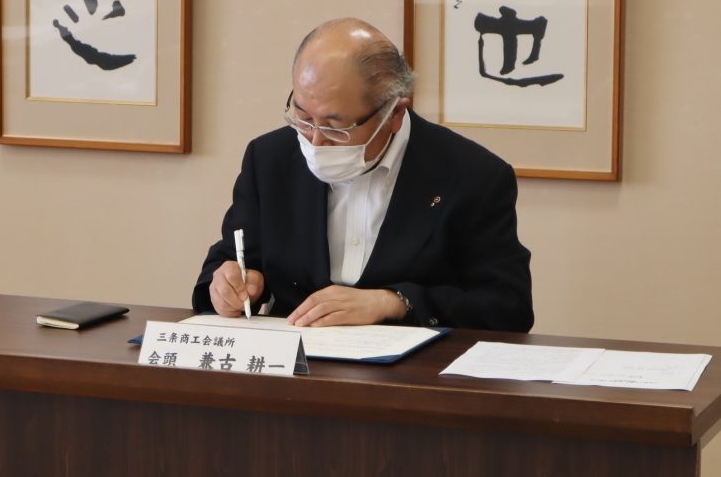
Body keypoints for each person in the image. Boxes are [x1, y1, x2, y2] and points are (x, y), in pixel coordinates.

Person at [192, 18, 533, 332]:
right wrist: (229, 286)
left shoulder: (471, 175)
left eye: (335, 127)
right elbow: (230, 259)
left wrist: (395, 302)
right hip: (295, 364)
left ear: (394, 113)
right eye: (303, 117)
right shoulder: (270, 158)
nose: (315, 140)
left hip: (413, 371)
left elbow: (508, 307)